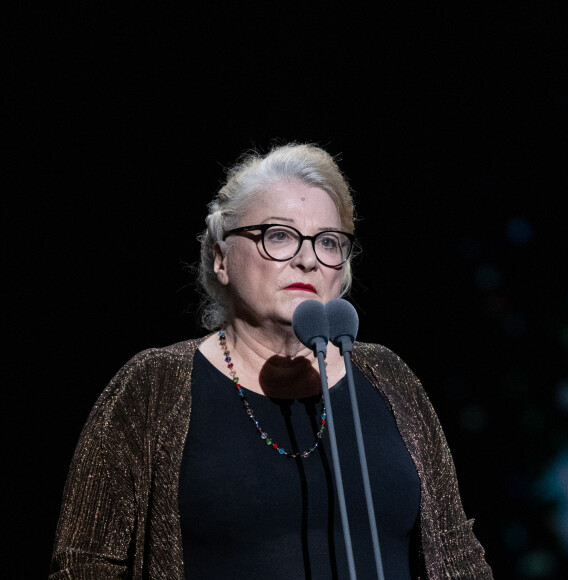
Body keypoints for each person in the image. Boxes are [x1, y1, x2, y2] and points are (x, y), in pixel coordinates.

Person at [50, 143, 493, 579]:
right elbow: (82, 565)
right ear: (221, 258)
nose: (306, 258)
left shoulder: (388, 378)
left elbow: (458, 558)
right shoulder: (151, 386)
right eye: (278, 236)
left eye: (328, 242)